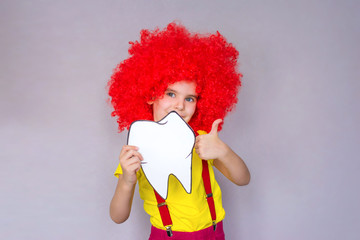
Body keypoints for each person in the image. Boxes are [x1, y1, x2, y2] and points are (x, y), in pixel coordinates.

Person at [108, 22, 250, 240]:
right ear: (150, 94)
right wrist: (127, 179)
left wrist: (223, 151)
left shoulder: (203, 140)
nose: (180, 105)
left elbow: (243, 179)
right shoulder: (136, 151)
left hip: (213, 233)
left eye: (190, 98)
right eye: (171, 94)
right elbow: (118, 216)